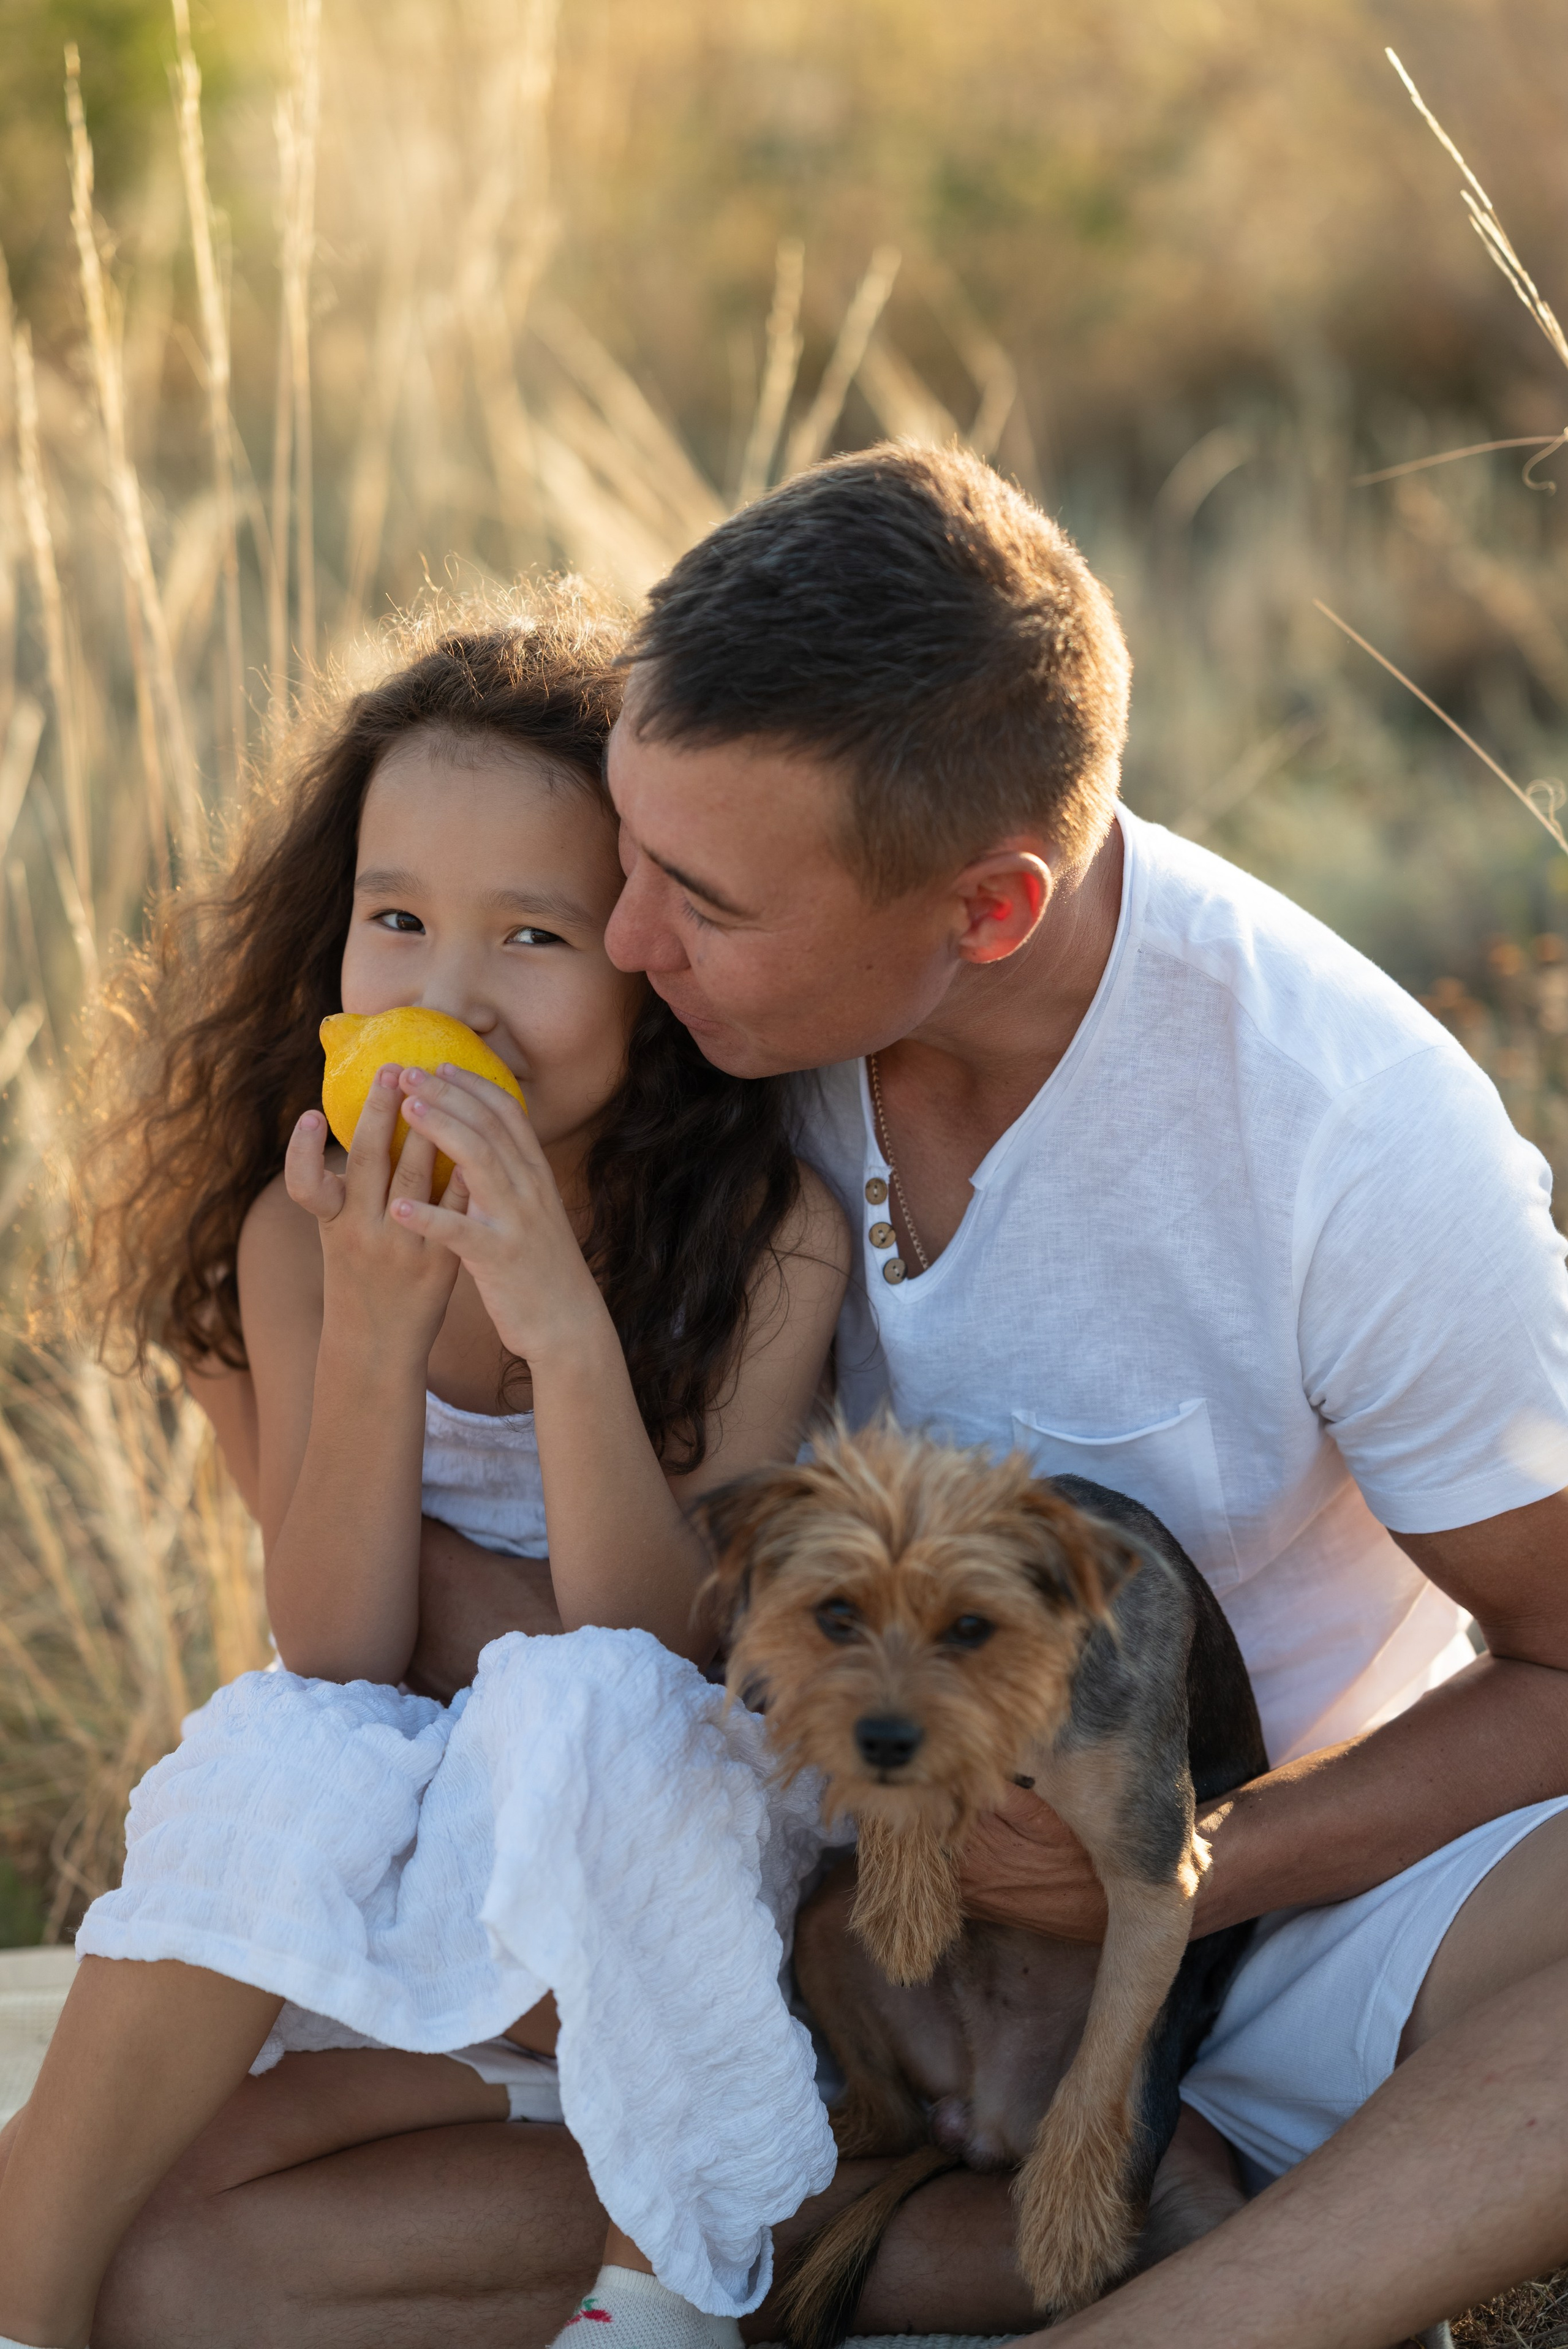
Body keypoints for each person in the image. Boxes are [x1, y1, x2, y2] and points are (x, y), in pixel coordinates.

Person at [26, 443, 1568, 2349]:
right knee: (190, 2275)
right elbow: (483, 1614)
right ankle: (866, 2243)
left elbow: (1563, 1655)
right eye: (631, 861)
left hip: (1249, 1916)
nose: (636, 943)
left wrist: (1169, 1871)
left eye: (692, 899)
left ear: (985, 912)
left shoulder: (1348, 1139)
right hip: (795, 1915)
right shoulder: (704, 1059)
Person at [0, 590, 848, 2349]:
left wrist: (559, 1325)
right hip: (406, 1877)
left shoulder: (765, 1235)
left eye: (531, 935)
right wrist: (381, 1328)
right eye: (395, 919)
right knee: (279, 1742)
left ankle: (647, 2287)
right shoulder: (302, 1232)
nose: (447, 990)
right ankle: (25, 2298)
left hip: (653, 1884)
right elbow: (331, 1645)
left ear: (646, 949)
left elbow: (672, 1650)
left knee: (586, 1704)